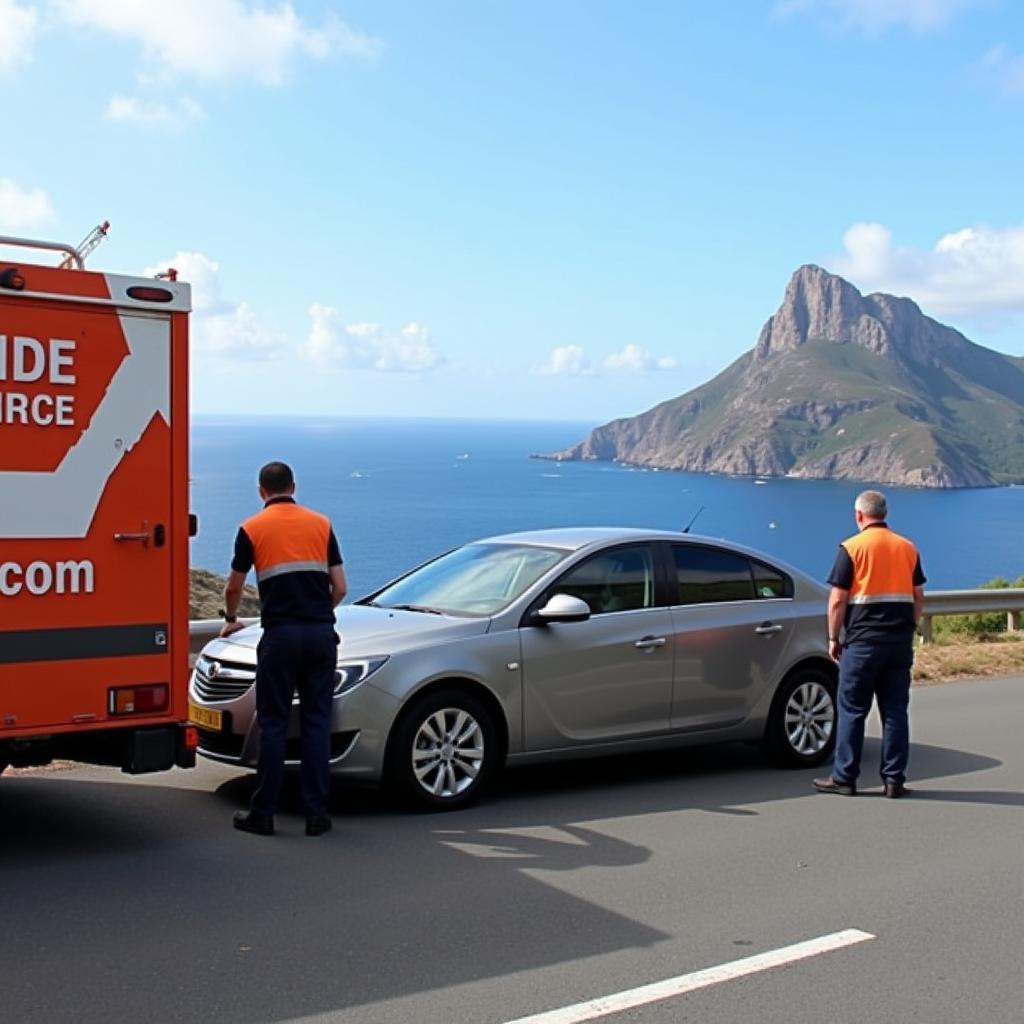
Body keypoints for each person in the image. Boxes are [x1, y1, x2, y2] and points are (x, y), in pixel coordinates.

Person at [220, 461, 347, 836]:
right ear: (294, 486)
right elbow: (340, 586)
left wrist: (230, 616)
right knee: (316, 722)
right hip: (320, 635)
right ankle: (316, 815)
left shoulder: (251, 528)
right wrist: (321, 612)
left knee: (274, 724)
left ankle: (264, 813)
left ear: (261, 491)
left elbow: (233, 586)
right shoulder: (321, 524)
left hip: (281, 636)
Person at [814, 490, 925, 798]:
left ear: (859, 516)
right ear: (885, 514)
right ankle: (894, 780)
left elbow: (838, 600)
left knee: (851, 709)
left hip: (862, 643)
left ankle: (844, 778)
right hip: (899, 642)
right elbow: (918, 596)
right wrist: (911, 627)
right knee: (895, 711)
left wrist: (834, 637)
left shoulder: (851, 548)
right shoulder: (907, 548)